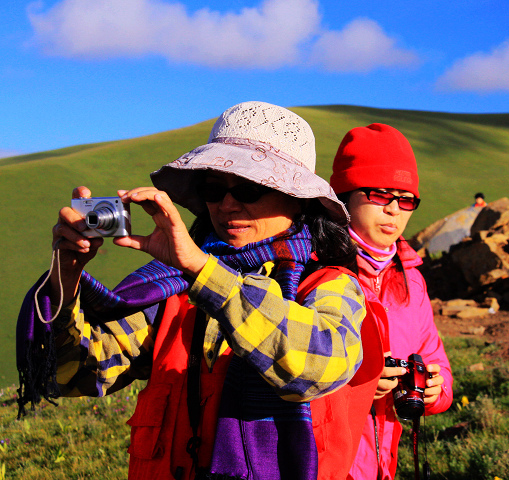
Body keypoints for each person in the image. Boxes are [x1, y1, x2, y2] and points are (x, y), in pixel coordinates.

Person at [16, 101, 367, 480]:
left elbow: (319, 363)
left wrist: (202, 270)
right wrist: (65, 279)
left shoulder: (329, 284)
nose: (227, 204)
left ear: (297, 200)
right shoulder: (171, 285)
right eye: (214, 189)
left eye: (248, 188)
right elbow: (76, 372)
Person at [321, 123, 453, 479]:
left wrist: (434, 391)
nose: (395, 209)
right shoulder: (312, 268)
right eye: (380, 195)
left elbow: (434, 356)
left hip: (382, 461)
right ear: (344, 196)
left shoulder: (411, 277)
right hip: (322, 459)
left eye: (406, 199)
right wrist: (359, 380)